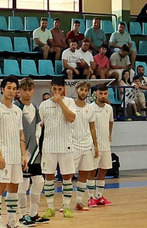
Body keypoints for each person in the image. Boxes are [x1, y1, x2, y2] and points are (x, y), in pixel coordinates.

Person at [0, 75, 29, 228]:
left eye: (13, 88)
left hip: (16, 155)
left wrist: (23, 155)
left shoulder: (18, 111)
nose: (11, 91)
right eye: (8, 88)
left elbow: (21, 134)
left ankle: (12, 221)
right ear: (2, 89)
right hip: (2, 156)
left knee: (14, 187)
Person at [38, 77, 79, 217]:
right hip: (49, 146)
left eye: (59, 89)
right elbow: (40, 126)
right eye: (54, 89)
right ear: (51, 88)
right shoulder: (43, 105)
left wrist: (61, 102)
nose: (56, 92)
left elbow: (71, 118)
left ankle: (66, 207)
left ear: (64, 89)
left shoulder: (70, 102)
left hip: (66, 145)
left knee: (67, 177)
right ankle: (50, 207)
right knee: (49, 177)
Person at [16, 77, 47, 225]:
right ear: (19, 91)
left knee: (39, 181)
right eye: (25, 90)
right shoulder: (15, 108)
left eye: (30, 90)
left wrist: (37, 149)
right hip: (21, 152)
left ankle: (33, 214)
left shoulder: (35, 108)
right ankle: (23, 215)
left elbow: (38, 129)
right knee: (23, 183)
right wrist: (22, 150)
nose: (28, 93)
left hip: (34, 152)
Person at [66, 81, 99, 216]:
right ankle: (65, 204)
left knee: (84, 173)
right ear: (77, 89)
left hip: (87, 144)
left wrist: (95, 145)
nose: (84, 92)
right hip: (72, 144)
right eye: (82, 90)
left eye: (86, 90)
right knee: (68, 175)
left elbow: (92, 127)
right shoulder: (70, 105)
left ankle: (79, 201)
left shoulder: (90, 108)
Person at [87, 88, 114, 207]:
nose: (103, 96)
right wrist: (93, 143)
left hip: (106, 145)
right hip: (93, 145)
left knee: (103, 170)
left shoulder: (109, 108)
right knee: (92, 171)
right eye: (100, 93)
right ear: (95, 94)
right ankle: (90, 197)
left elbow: (111, 122)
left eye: (105, 93)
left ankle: (99, 196)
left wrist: (109, 135)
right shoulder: (90, 108)